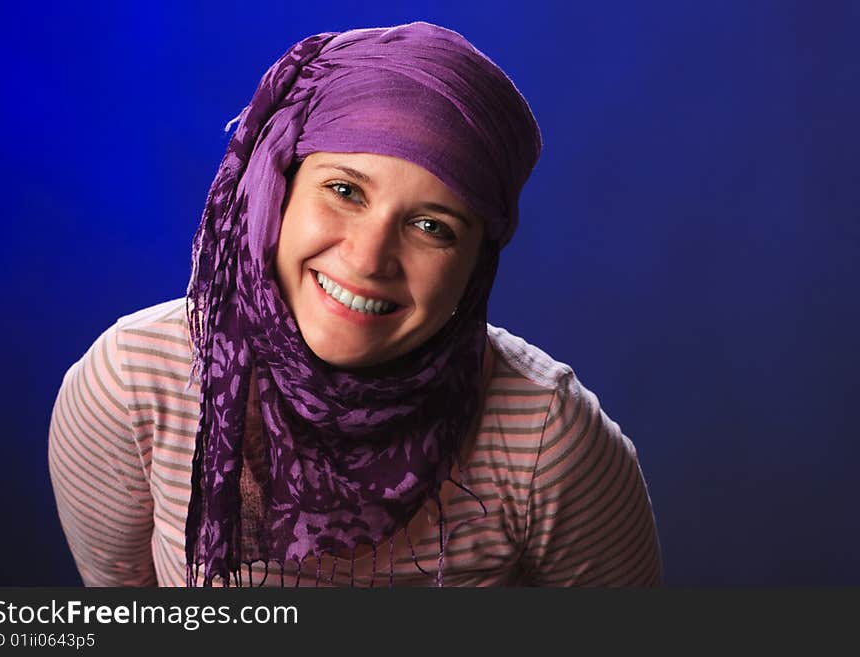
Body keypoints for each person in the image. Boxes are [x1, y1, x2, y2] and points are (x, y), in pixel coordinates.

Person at [48, 21, 662, 587]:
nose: (370, 258)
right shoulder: (134, 383)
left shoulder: (546, 440)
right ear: (275, 190)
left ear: (476, 264)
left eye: (432, 226)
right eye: (344, 190)